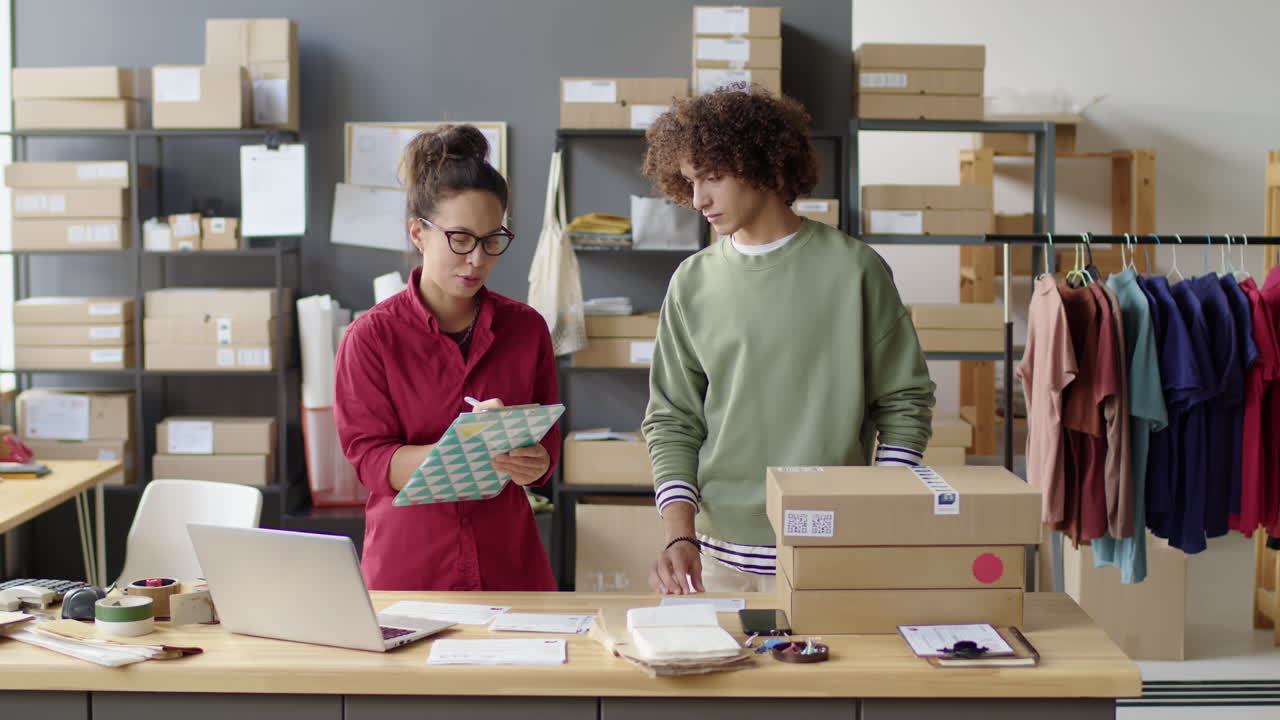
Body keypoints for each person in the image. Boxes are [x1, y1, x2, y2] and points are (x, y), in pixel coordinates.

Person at [640, 87, 937, 595]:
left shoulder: (853, 270)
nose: (698, 200)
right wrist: (676, 535)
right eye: (690, 182)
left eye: (713, 178)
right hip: (714, 561)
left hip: (832, 551)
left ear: (762, 165)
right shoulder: (691, 282)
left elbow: (905, 401)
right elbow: (672, 419)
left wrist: (878, 506)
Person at [334, 124, 559, 592]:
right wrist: (468, 449)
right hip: (410, 571)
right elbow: (371, 461)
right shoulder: (370, 338)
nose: (476, 259)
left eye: (492, 239)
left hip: (510, 568)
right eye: (460, 238)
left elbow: (547, 451)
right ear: (418, 233)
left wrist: (533, 463)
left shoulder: (526, 330)